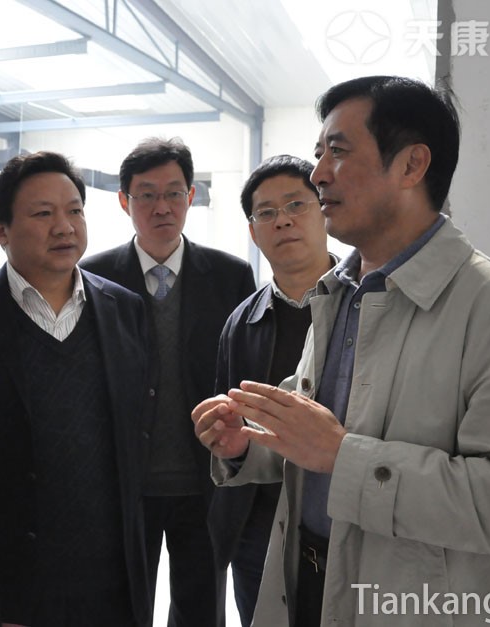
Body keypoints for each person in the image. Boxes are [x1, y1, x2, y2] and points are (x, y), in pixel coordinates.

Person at [193, 75, 490, 627]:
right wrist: (244, 443)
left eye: (338, 152)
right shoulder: (338, 294)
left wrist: (343, 456)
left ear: (412, 165)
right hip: (306, 584)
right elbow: (312, 437)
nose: (319, 174)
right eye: (318, 154)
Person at [0, 151, 152, 627]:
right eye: (43, 213)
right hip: (13, 585)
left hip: (112, 581)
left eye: (75, 211)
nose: (64, 227)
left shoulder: (124, 310)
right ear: (1, 230)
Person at [82, 137, 256, 627]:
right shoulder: (92, 277)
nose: (162, 207)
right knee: (122, 609)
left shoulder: (230, 275)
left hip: (205, 480)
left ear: (191, 196)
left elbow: (245, 372)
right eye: (147, 195)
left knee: (201, 611)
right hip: (126, 484)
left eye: (174, 193)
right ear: (124, 201)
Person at [208, 155, 337, 627]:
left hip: (343, 520)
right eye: (266, 212)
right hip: (258, 529)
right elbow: (229, 427)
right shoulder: (241, 322)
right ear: (253, 231)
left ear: (324, 211)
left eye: (296, 204)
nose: (282, 220)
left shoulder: (367, 303)